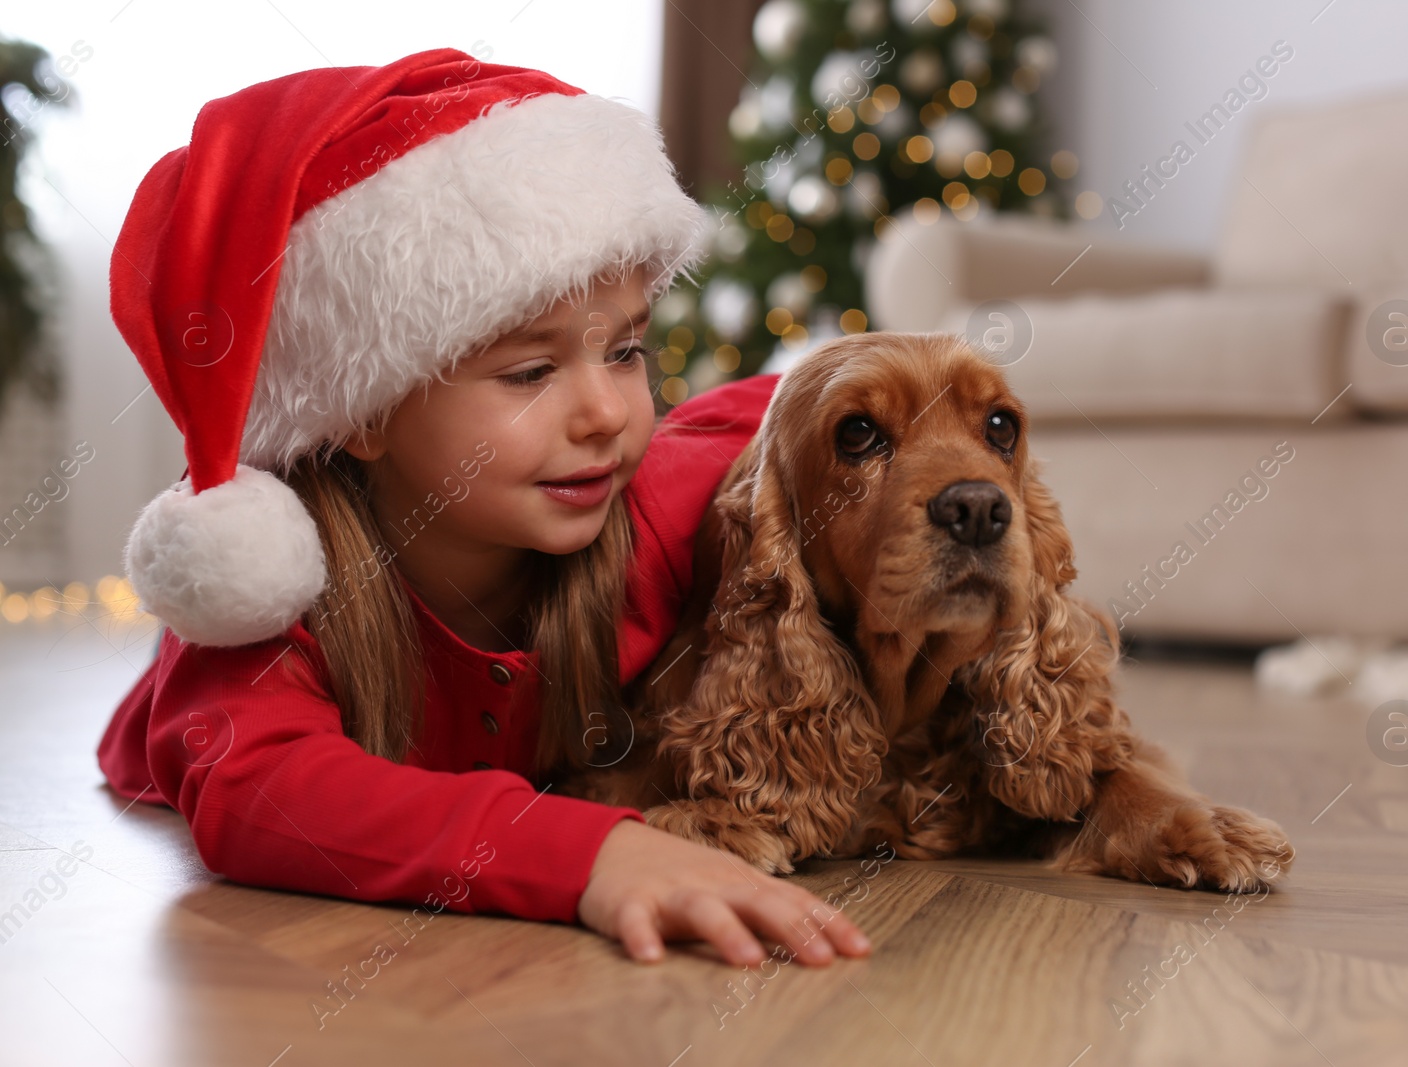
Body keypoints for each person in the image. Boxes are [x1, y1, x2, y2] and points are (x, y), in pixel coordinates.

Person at [95, 47, 871, 970]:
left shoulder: (645, 506)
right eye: (531, 372)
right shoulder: (272, 604)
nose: (606, 414)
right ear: (368, 412)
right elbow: (262, 790)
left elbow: (782, 418)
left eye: (624, 351)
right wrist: (596, 853)